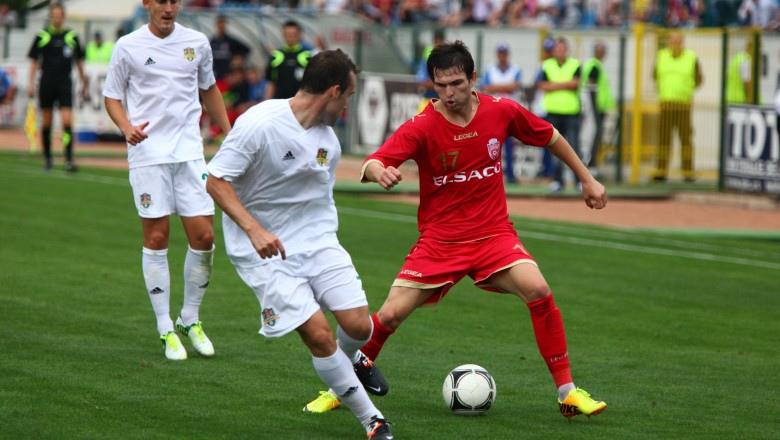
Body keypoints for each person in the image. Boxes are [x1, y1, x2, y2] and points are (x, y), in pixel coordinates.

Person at [305, 40, 608, 421]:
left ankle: (568, 392)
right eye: (441, 84)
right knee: (390, 314)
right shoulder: (423, 126)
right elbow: (373, 161)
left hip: (494, 234)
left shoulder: (502, 111)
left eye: (457, 83)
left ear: (473, 79)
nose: (449, 93)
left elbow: (550, 136)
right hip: (440, 240)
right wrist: (378, 171)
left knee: (539, 289)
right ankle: (338, 388)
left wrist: (587, 179)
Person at [205, 49, 393, 440]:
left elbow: (318, 199)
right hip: (263, 251)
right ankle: (373, 421)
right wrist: (254, 230)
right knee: (320, 335)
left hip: (318, 240)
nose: (348, 106)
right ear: (334, 92)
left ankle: (354, 358)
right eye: (349, 97)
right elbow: (216, 181)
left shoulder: (329, 141)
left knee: (360, 326)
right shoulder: (259, 123)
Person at [102, 0, 231, 360]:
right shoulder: (127, 46)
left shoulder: (198, 43)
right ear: (147, 3)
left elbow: (209, 89)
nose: (168, 8)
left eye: (174, 1)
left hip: (190, 153)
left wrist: (229, 131)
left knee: (204, 237)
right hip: (148, 156)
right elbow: (112, 97)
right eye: (161, 1)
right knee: (157, 238)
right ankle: (165, 327)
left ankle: (190, 318)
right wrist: (126, 127)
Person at [27, 3, 87, 172]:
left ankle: (68, 159)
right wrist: (31, 83)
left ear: (63, 17)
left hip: (64, 83)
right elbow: (33, 61)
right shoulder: (42, 36)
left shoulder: (72, 37)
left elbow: (80, 61)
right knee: (47, 122)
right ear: (50, 17)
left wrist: (84, 81)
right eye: (54, 16)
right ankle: (47, 159)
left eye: (59, 15)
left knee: (67, 120)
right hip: (47, 82)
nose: (57, 19)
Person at [653, 31, 702, 182]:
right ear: (668, 42)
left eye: (677, 40)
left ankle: (688, 172)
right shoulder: (661, 56)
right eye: (672, 40)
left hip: (683, 105)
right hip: (666, 104)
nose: (675, 43)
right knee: (663, 139)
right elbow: (654, 75)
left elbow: (699, 79)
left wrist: (687, 90)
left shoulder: (691, 58)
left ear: (682, 42)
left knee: (685, 139)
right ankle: (661, 171)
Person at [536, 38, 582, 192]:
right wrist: (565, 84)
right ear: (555, 51)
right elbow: (542, 85)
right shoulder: (547, 65)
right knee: (555, 149)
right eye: (558, 49)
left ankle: (579, 181)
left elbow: (575, 84)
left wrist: (554, 85)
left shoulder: (575, 64)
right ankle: (558, 181)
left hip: (571, 112)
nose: (560, 51)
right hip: (553, 112)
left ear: (566, 50)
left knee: (574, 147)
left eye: (563, 48)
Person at [480, 42, 522, 184]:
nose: (502, 55)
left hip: (509, 111)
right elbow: (485, 88)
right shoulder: (490, 69)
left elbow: (514, 86)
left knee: (509, 145)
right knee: (492, 144)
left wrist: (495, 87)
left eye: (504, 53)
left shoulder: (515, 68)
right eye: (500, 53)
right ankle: (490, 174)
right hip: (493, 111)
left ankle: (510, 174)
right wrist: (505, 87)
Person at [581, 41, 615, 170]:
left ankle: (591, 162)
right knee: (594, 134)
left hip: (598, 106)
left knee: (595, 134)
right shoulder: (594, 66)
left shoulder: (595, 65)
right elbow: (591, 86)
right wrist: (593, 106)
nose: (605, 52)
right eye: (603, 49)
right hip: (596, 107)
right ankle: (590, 163)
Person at [264, 20, 311, 100]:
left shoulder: (307, 56)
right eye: (288, 34)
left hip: (300, 102)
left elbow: (311, 83)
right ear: (283, 34)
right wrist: (266, 102)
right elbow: (271, 82)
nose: (290, 37)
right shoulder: (276, 56)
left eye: (293, 34)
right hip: (280, 102)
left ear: (299, 35)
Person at [210, 15, 250, 81]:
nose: (221, 26)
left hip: (229, 75)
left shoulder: (230, 41)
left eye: (222, 23)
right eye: (219, 23)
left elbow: (247, 49)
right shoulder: (213, 41)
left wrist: (237, 57)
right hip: (216, 74)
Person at [726, 38, 757, 105]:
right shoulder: (746, 61)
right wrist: (751, 100)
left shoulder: (737, 57)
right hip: (739, 100)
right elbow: (747, 83)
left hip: (729, 97)